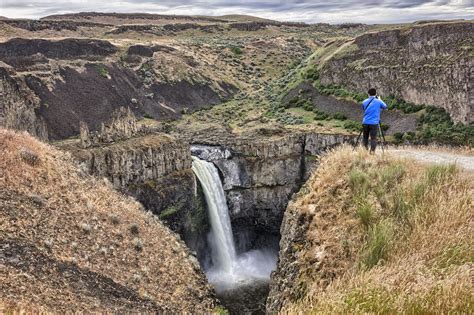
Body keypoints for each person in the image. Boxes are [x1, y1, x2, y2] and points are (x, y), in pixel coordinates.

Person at [361, 88, 387, 153]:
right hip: (374, 123)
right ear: (376, 94)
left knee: (365, 137)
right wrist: (380, 99)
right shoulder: (378, 101)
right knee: (373, 138)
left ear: (368, 94)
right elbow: (385, 106)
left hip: (365, 122)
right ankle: (372, 152)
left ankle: (364, 151)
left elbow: (363, 108)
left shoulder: (364, 101)